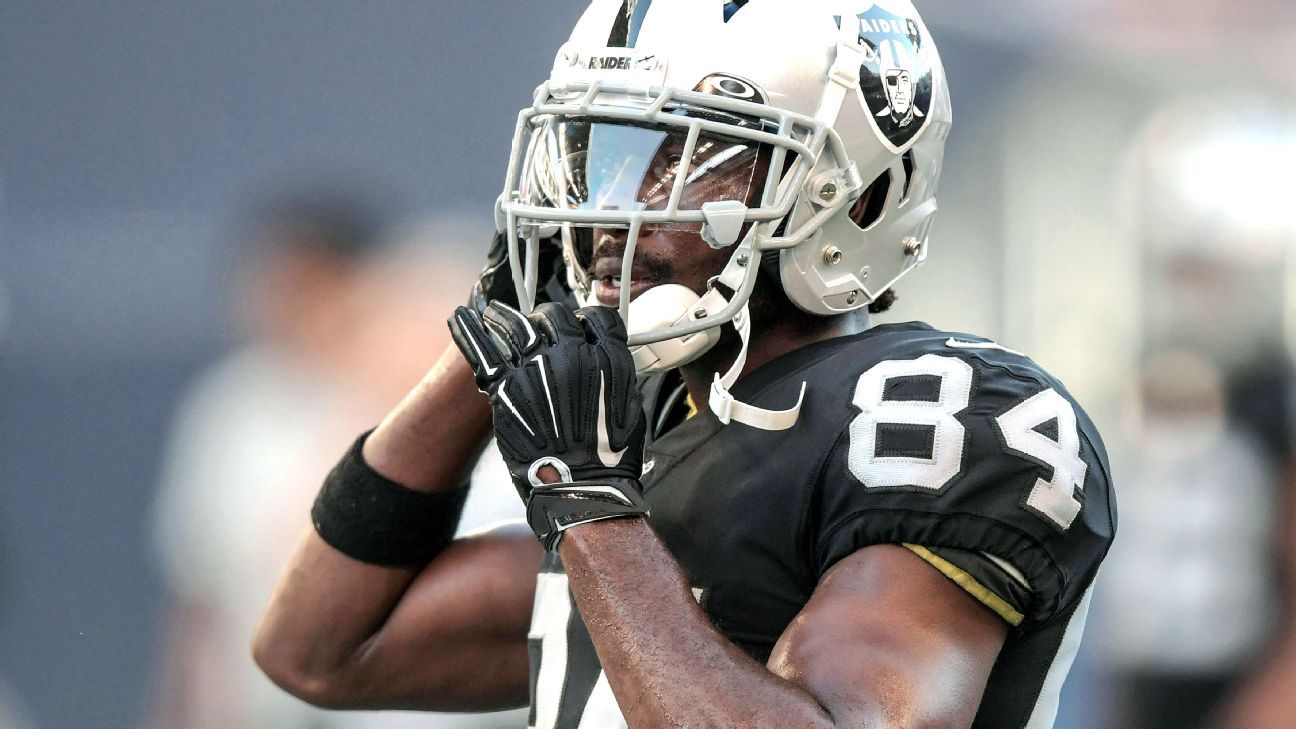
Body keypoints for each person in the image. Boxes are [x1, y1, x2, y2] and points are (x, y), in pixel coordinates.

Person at [253, 2, 1116, 727]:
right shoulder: (660, 423)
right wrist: (490, 345)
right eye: (603, 154)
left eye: (687, 159)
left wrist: (590, 506)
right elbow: (320, 649)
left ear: (852, 199)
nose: (611, 211)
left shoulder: (942, 417)